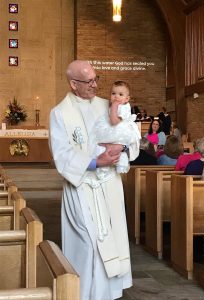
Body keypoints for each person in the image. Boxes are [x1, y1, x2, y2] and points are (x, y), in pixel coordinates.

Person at [49, 60, 140, 300]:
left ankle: (108, 295)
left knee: (113, 240)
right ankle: (85, 294)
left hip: (109, 185)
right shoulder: (60, 113)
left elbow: (131, 134)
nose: (95, 85)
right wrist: (96, 162)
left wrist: (122, 150)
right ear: (73, 84)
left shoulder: (108, 105)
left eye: (96, 79)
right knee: (89, 245)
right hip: (82, 187)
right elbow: (62, 155)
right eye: (89, 81)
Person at [93, 80, 141, 179]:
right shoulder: (116, 105)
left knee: (112, 148)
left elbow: (114, 121)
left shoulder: (123, 108)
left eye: (120, 94)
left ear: (127, 99)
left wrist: (114, 106)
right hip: (113, 129)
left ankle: (113, 166)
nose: (116, 97)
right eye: (113, 93)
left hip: (118, 130)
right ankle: (105, 166)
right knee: (105, 147)